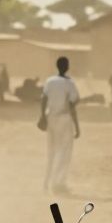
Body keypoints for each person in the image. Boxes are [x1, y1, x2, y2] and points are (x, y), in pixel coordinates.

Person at [39, 56, 80, 194]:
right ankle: (58, 183)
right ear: (67, 67)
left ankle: (47, 182)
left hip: (51, 118)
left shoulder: (50, 81)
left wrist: (42, 117)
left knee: (51, 150)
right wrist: (77, 126)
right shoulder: (70, 83)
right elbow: (71, 105)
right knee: (64, 152)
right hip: (64, 118)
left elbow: (43, 99)